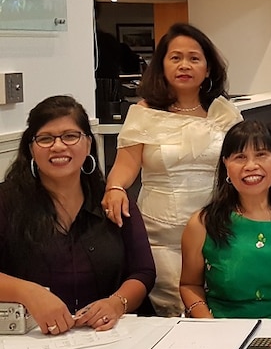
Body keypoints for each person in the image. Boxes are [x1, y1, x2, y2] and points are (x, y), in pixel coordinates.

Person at [102, 23, 242, 316]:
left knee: (219, 307)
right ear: (161, 65)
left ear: (207, 68)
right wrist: (115, 188)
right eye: (175, 57)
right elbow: (125, 166)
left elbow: (240, 168)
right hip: (161, 234)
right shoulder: (144, 113)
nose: (184, 65)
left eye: (194, 58)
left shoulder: (224, 113)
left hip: (216, 227)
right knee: (176, 312)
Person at [0, 96, 155, 334]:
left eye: (70, 136)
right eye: (45, 138)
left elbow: (143, 272)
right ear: (31, 148)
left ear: (89, 144)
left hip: (109, 334)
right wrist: (28, 292)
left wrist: (116, 303)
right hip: (32, 338)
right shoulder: (6, 202)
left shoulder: (112, 200)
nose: (58, 146)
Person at [180, 120, 271, 319]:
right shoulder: (202, 223)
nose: (251, 166)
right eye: (240, 157)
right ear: (226, 164)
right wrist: (208, 324)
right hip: (222, 331)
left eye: (261, 155)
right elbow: (190, 285)